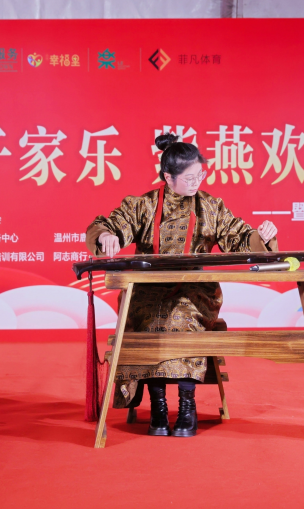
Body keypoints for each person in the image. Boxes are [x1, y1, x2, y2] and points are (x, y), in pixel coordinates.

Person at [85, 133, 278, 437]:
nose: (197, 182)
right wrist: (106, 236)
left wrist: (261, 237)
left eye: (200, 174)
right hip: (147, 291)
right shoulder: (143, 205)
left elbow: (239, 237)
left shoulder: (210, 207)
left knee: (180, 318)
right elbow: (109, 225)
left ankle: (187, 406)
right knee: (150, 320)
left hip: (194, 290)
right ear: (168, 177)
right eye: (189, 177)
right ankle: (158, 406)